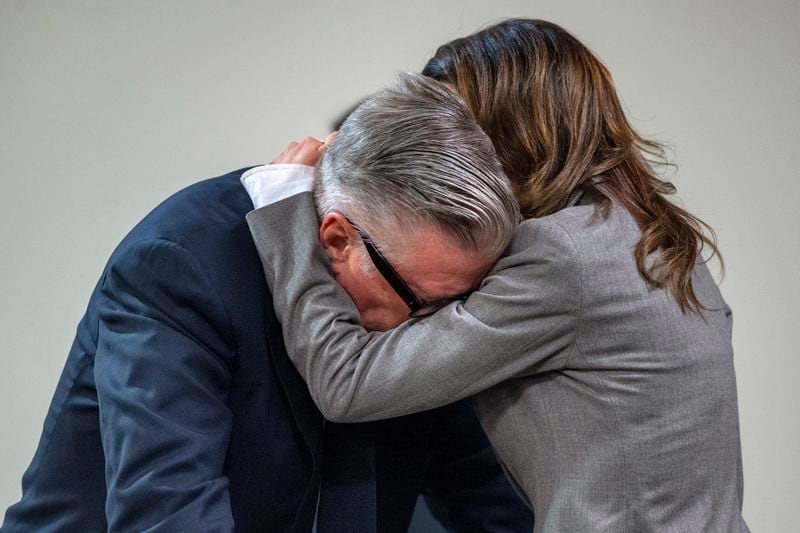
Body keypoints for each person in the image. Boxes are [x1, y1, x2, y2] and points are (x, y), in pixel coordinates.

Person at [246, 19, 750, 532]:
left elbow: (350, 385)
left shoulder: (563, 255)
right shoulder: (639, 230)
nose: (442, 150)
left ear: (505, 126)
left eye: (450, 126)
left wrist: (284, 203)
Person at [2, 74, 533, 532]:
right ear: (336, 240)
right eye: (422, 304)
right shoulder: (183, 266)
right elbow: (166, 512)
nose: (435, 329)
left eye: (458, 306)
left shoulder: (422, 293)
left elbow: (480, 493)